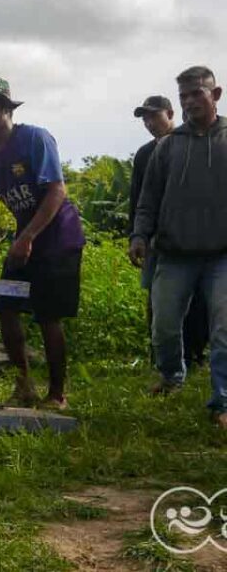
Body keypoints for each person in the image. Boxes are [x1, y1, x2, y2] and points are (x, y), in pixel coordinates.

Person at [0, 75, 86, 410]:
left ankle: (56, 395)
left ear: (5, 108)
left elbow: (57, 190)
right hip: (24, 238)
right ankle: (24, 385)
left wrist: (28, 237)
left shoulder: (34, 139)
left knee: (47, 315)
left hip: (59, 236)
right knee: (6, 308)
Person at [130, 66, 227, 428]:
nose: (189, 102)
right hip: (173, 253)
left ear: (215, 95)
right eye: (183, 96)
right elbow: (148, 198)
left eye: (196, 94)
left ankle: (222, 402)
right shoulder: (169, 146)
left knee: (223, 328)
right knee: (165, 328)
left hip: (221, 254)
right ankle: (172, 375)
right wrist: (139, 236)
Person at [129, 96, 207, 367]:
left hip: (194, 237)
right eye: (145, 119)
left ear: (171, 113)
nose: (149, 123)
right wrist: (136, 236)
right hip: (156, 239)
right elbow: (138, 200)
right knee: (157, 298)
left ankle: (194, 354)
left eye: (154, 116)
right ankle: (161, 358)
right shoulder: (144, 154)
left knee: (196, 298)